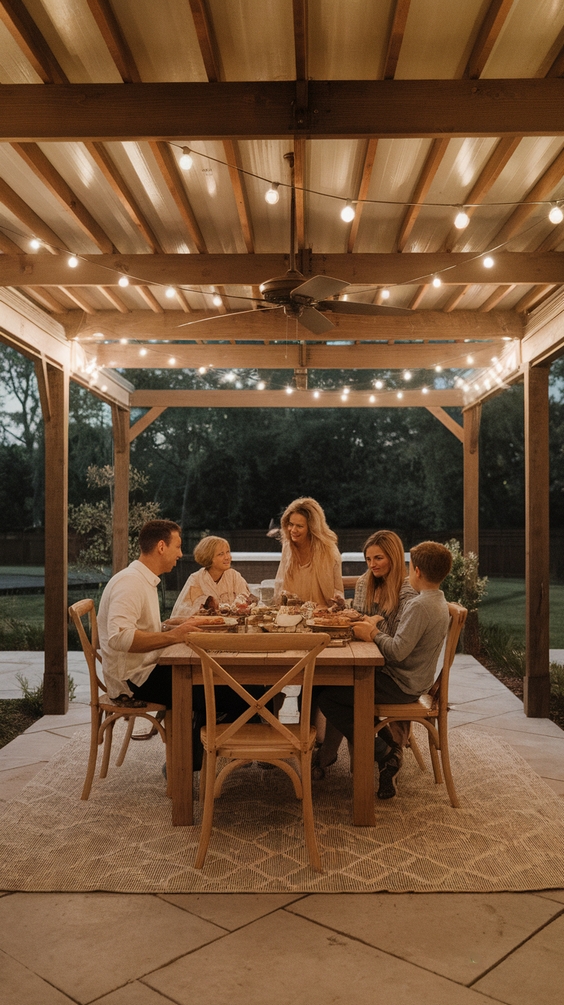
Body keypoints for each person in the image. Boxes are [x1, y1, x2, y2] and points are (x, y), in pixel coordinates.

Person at [318, 540, 452, 800]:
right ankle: (385, 750)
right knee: (337, 690)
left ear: (417, 571)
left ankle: (385, 753)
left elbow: (396, 651)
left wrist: (373, 633)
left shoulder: (418, 605)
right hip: (411, 679)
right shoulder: (437, 601)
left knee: (327, 697)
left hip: (401, 683)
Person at [313, 529, 417, 777]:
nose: (372, 565)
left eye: (378, 558)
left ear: (392, 556)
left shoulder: (407, 591)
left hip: (392, 669)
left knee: (331, 696)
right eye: (368, 559)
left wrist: (371, 626)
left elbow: (397, 642)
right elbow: (358, 617)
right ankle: (377, 750)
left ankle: (379, 751)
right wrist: (346, 611)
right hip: (371, 658)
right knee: (322, 686)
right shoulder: (364, 582)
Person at [97, 519, 207, 708]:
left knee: (218, 679)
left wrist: (173, 625)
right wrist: (173, 636)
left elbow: (141, 627)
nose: (180, 554)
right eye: (178, 547)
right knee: (233, 693)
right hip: (133, 682)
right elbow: (120, 637)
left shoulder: (142, 579)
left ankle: (198, 733)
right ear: (161, 547)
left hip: (145, 670)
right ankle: (200, 734)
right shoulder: (129, 583)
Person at [273, 497, 344, 607]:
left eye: (299, 526)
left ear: (312, 528)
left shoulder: (329, 551)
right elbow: (281, 588)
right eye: (291, 524)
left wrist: (339, 600)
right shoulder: (288, 546)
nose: (293, 530)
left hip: (321, 616)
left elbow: (337, 590)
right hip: (292, 614)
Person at [169, 536, 250, 620]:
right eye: (221, 554)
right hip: (203, 629)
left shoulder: (234, 576)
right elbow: (182, 612)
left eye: (228, 552)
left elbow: (247, 599)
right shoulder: (196, 579)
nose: (227, 557)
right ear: (209, 557)